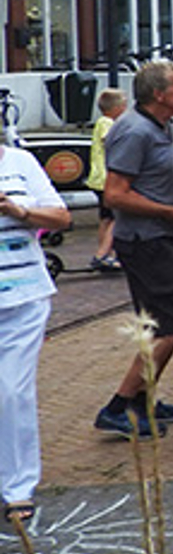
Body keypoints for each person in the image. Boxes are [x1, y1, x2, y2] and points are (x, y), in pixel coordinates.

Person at [96, 61, 173, 438]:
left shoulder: (161, 125)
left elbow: (148, 177)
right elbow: (115, 194)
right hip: (144, 241)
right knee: (170, 323)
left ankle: (143, 398)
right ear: (159, 95)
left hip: (162, 237)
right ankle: (119, 405)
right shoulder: (133, 131)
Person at [0, 139, 72, 523]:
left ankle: (18, 486)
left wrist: (20, 210)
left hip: (24, 296)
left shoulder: (20, 161)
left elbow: (61, 218)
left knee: (12, 390)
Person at [85, 88, 127, 272]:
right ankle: (102, 254)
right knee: (118, 216)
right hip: (106, 178)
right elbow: (111, 141)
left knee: (106, 218)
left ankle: (106, 253)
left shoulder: (103, 122)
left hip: (98, 179)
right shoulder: (107, 123)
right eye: (124, 106)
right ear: (116, 108)